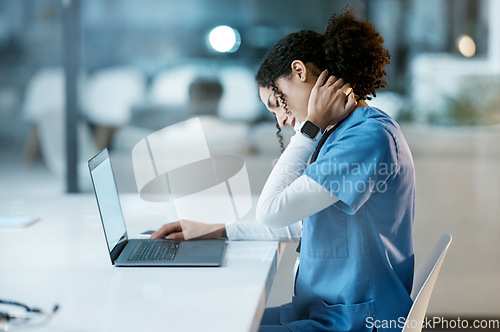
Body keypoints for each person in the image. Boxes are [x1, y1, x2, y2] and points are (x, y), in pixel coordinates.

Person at [152, 7, 415, 332]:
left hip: (355, 321)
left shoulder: (366, 138)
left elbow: (272, 212)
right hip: (329, 311)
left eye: (277, 103)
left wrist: (309, 129)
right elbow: (310, 225)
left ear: (299, 71)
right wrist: (222, 231)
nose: (280, 120)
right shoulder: (346, 134)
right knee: (211, 320)